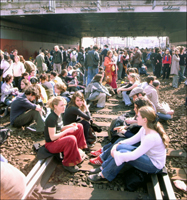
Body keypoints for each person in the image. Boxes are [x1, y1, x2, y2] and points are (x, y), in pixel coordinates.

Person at [88, 106, 169, 183]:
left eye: (138, 116)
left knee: (122, 153)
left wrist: (115, 154)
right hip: (147, 156)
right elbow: (132, 140)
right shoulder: (144, 128)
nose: (136, 118)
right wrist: (117, 145)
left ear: (145, 119)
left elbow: (133, 156)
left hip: (153, 165)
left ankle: (104, 176)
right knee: (120, 147)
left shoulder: (151, 137)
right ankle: (103, 167)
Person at [89, 97, 154, 165]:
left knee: (120, 139)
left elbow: (139, 138)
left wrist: (125, 131)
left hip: (142, 146)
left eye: (135, 107)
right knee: (119, 137)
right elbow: (137, 129)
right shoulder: (143, 116)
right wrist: (126, 127)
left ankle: (102, 158)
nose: (134, 109)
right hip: (137, 138)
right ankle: (104, 151)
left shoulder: (145, 120)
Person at [44, 96, 87, 173]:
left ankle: (78, 150)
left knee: (79, 126)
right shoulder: (52, 118)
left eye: (64, 105)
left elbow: (59, 128)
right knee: (71, 138)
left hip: (58, 139)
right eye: (61, 105)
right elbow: (52, 137)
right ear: (55, 106)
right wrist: (68, 130)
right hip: (51, 144)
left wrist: (70, 126)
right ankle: (68, 164)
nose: (64, 107)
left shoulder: (59, 114)